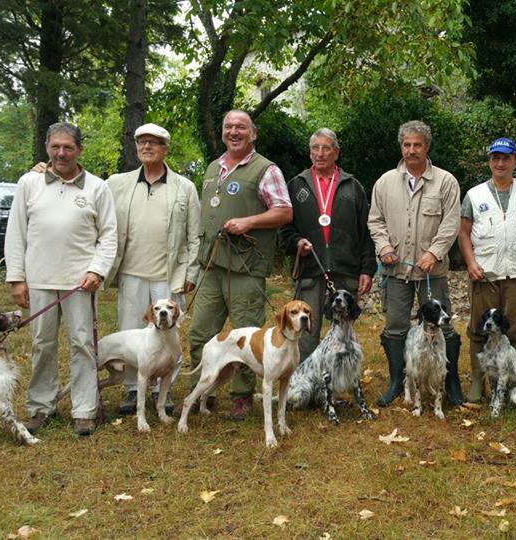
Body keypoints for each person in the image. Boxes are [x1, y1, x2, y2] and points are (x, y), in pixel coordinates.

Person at [5, 122, 117, 437]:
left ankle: (84, 410)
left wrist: (97, 270)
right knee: (42, 344)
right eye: (55, 147)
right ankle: (41, 407)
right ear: (47, 147)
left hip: (80, 283)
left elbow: (109, 235)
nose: (61, 153)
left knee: (83, 344)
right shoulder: (29, 183)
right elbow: (16, 232)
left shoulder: (97, 187)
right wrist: (17, 278)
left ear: (80, 149)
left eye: (68, 147)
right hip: (39, 279)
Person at [186, 110, 292, 420]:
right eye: (228, 127)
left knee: (247, 334)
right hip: (212, 264)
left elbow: (284, 212)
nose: (234, 132)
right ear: (222, 133)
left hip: (246, 265)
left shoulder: (266, 170)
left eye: (241, 127)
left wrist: (249, 221)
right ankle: (201, 391)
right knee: (199, 332)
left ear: (253, 134)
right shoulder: (211, 168)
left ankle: (242, 396)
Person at [105, 123, 200, 415]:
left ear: (165, 148)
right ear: (136, 147)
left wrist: (190, 274)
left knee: (169, 335)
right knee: (132, 334)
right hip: (131, 272)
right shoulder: (117, 183)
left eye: (154, 143)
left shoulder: (184, 187)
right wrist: (46, 171)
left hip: (168, 276)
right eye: (142, 142)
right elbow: (84, 189)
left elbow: (195, 235)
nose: (147, 147)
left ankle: (164, 392)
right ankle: (134, 390)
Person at [368, 120, 462, 407]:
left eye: (417, 145)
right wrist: (383, 246)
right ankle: (399, 380)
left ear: (427, 147)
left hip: (431, 272)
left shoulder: (446, 182)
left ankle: (450, 381)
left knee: (443, 327)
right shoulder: (384, 182)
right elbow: (375, 220)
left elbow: (451, 223)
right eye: (407, 145)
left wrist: (434, 253)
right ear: (401, 147)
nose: (411, 150)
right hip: (396, 271)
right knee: (395, 326)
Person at [458, 137, 516, 402]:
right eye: (495, 158)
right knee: (479, 327)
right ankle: (477, 380)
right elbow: (463, 233)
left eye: (506, 158)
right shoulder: (474, 194)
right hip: (485, 275)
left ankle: (512, 380)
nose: (501, 163)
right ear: (489, 162)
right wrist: (471, 263)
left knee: (515, 329)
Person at [279, 128, 374, 361]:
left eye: (326, 148)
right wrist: (296, 242)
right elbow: (283, 229)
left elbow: (366, 231)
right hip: (311, 271)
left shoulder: (353, 186)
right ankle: (301, 389)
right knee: (305, 332)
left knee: (343, 335)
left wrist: (367, 269)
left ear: (336, 152)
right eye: (315, 148)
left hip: (345, 270)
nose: (319, 153)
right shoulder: (296, 185)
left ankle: (335, 387)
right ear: (310, 152)